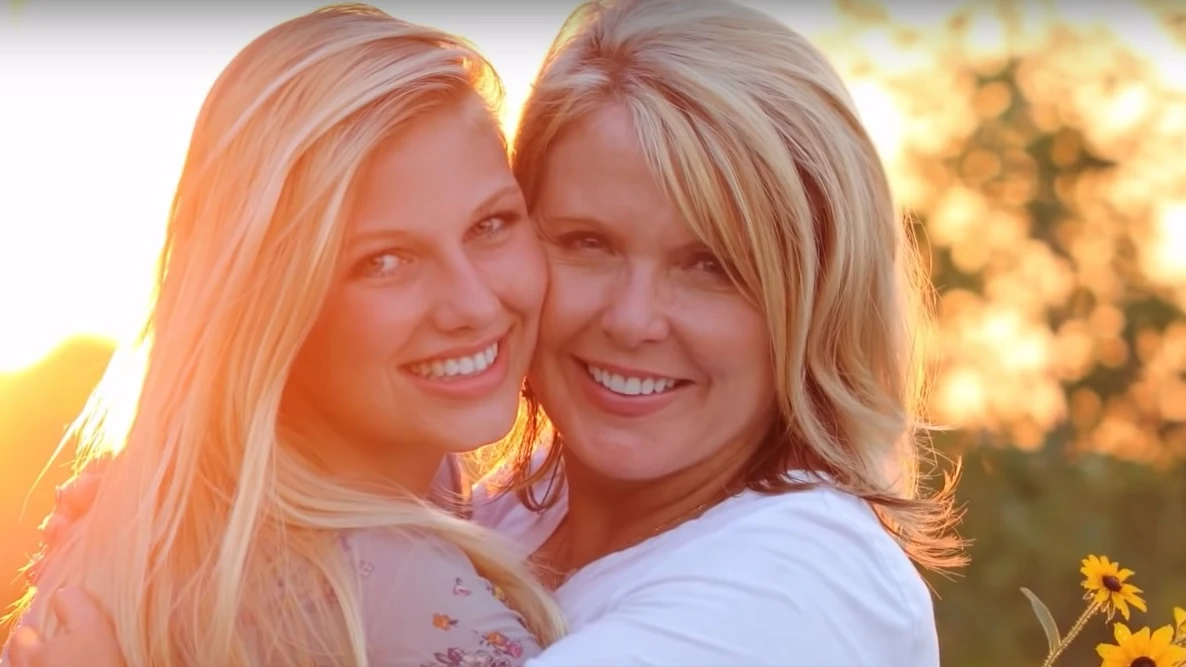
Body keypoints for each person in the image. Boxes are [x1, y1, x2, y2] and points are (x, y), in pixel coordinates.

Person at [10, 0, 967, 665]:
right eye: (585, 241)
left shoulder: (806, 580)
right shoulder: (480, 514)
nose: (633, 319)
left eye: (711, 265)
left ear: (814, 295)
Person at [1, 5, 566, 666]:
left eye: (491, 224)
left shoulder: (181, 511)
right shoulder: (406, 605)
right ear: (272, 304)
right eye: (383, 261)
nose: (472, 302)